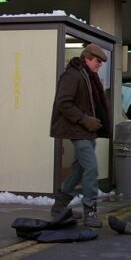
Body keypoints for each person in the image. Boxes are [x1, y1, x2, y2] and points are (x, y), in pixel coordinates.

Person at [50, 43, 111, 228]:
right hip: (79, 130)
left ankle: (59, 207)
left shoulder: (88, 77)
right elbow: (63, 103)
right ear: (87, 58)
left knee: (79, 170)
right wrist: (85, 120)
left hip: (87, 130)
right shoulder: (73, 75)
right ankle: (90, 210)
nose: (99, 65)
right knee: (91, 167)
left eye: (100, 62)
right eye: (97, 61)